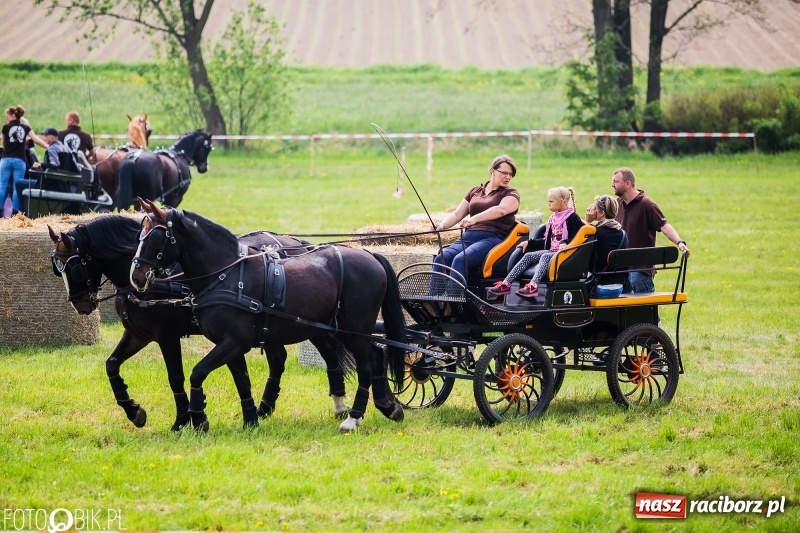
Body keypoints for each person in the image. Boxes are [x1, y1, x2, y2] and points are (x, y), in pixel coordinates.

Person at [432, 154, 520, 293]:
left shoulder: (511, 194)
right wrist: (441, 226)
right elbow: (457, 214)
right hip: (469, 237)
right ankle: (434, 299)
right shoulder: (475, 191)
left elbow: (501, 210)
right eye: (504, 173)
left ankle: (456, 301)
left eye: (510, 174)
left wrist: (474, 219)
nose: (508, 177)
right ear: (492, 171)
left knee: (461, 260)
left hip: (493, 238)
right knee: (441, 258)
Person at [488, 186, 583, 299]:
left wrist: (565, 241)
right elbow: (547, 242)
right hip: (552, 251)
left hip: (565, 254)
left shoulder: (573, 218)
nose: (549, 204)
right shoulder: (553, 218)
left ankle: (533, 286)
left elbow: (577, 238)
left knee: (545, 257)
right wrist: (529, 243)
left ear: (563, 201)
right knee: (528, 256)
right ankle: (506, 284)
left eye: (551, 201)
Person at [611, 167, 691, 294]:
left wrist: (679, 242)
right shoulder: (617, 204)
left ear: (628, 184)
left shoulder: (646, 204)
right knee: (628, 313)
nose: (612, 185)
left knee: (647, 312)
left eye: (616, 181)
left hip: (640, 270)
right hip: (621, 269)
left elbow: (664, 225)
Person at [1, 105, 47, 217]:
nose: (6, 117)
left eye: (7, 115)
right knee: (17, 186)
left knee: (2, 185)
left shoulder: (5, 127)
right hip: (19, 160)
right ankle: (15, 213)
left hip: (6, 159)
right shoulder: (26, 128)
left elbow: (3, 143)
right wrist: (48, 146)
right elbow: (36, 140)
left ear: (12, 115)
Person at [585, 194, 629, 289]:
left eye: (595, 208)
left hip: (598, 286)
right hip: (618, 287)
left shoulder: (595, 232)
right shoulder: (623, 234)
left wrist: (587, 221)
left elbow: (582, 255)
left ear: (603, 213)